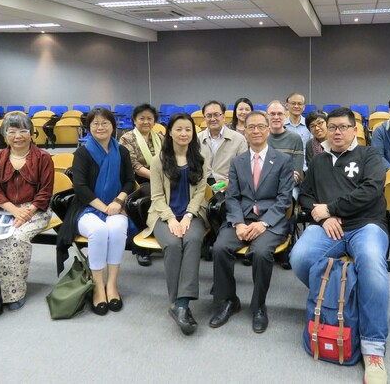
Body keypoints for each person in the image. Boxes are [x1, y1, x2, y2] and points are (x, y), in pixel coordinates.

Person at [290, 107, 389, 384]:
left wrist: (332, 209)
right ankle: (342, 301)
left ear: (354, 130)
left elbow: (371, 191)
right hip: (328, 228)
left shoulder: (369, 155)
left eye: (343, 127)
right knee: (299, 257)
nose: (336, 132)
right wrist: (323, 216)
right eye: (331, 127)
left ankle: (373, 349)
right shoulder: (319, 161)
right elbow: (306, 197)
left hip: (366, 224)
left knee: (371, 264)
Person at [209, 111, 294, 333]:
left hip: (270, 221)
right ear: (244, 132)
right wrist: (237, 223)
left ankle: (258, 306)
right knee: (219, 248)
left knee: (261, 252)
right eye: (251, 127)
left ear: (268, 129)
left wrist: (263, 223)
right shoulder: (238, 162)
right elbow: (232, 196)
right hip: (242, 218)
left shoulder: (283, 160)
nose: (256, 131)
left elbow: (284, 199)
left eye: (260, 127)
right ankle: (229, 301)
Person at [57, 108, 135, 316]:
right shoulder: (82, 153)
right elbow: (80, 187)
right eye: (95, 124)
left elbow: (129, 181)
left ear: (113, 126)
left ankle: (112, 284)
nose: (100, 127)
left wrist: (118, 202)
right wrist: (105, 208)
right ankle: (98, 287)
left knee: (117, 229)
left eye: (105, 123)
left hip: (116, 205)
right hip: (86, 208)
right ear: (89, 127)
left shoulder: (122, 151)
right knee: (99, 231)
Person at [0, 112, 54, 310]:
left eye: (23, 130)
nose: (18, 136)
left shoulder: (43, 158)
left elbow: (45, 192)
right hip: (6, 209)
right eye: (12, 131)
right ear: (5, 135)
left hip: (36, 209)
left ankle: (14, 293)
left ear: (31, 133)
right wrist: (14, 210)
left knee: (17, 238)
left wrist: (28, 212)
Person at [145, 113, 208, 335]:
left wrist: (188, 216)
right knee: (172, 244)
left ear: (193, 133)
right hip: (163, 215)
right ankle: (176, 303)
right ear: (169, 132)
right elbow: (156, 196)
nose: (183, 133)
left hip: (193, 215)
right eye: (179, 129)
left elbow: (200, 193)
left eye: (188, 129)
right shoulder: (158, 161)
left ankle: (181, 305)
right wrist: (171, 218)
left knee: (192, 241)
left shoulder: (199, 159)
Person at [119, 103, 163, 266]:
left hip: (160, 178)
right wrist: (156, 177)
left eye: (149, 118)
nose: (146, 122)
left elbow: (169, 159)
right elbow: (134, 165)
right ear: (134, 120)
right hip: (138, 180)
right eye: (142, 118)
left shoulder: (159, 137)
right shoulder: (127, 137)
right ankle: (141, 249)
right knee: (141, 203)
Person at [198, 100, 247, 185]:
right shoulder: (196, 139)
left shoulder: (239, 139)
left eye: (216, 115)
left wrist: (228, 184)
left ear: (224, 117)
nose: (213, 119)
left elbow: (244, 170)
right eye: (209, 116)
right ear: (204, 118)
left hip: (229, 186)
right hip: (202, 186)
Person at [266, 100, 304, 186]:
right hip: (265, 186)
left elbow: (297, 175)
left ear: (285, 116)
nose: (276, 117)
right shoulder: (261, 138)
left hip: (289, 186)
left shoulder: (295, 138)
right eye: (272, 114)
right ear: (267, 116)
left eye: (279, 114)